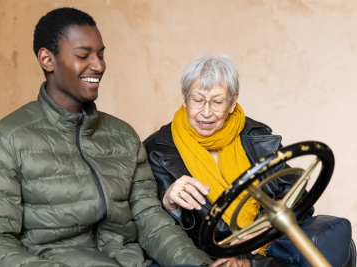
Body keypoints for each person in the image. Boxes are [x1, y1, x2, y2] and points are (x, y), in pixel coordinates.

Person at [0, 8, 213, 267]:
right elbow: (2, 242)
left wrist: (198, 264)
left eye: (100, 55)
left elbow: (150, 219)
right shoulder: (9, 138)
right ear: (47, 59)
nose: (99, 66)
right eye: (83, 55)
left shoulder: (123, 136)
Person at [144, 55, 352, 267]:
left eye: (217, 102)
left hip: (264, 247)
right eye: (197, 100)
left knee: (335, 232)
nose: (206, 113)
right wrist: (170, 204)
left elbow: (297, 197)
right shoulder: (156, 150)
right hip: (206, 253)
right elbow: (152, 226)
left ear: (233, 102)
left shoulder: (256, 136)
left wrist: (268, 229)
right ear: (184, 98)